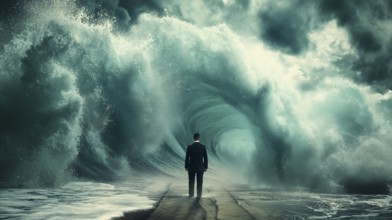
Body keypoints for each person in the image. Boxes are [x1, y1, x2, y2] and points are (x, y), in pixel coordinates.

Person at [185, 133, 208, 198]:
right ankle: (199, 195)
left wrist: (186, 166)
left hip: (191, 167)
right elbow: (205, 158)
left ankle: (191, 195)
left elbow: (187, 158)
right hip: (200, 167)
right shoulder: (203, 147)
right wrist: (205, 167)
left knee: (191, 182)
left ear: (193, 138)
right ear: (199, 138)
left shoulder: (189, 147)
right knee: (200, 183)